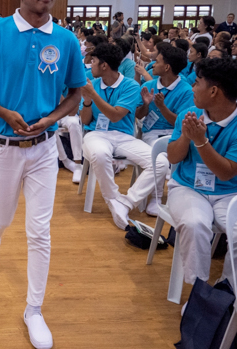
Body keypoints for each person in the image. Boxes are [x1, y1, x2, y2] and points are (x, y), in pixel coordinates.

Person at [0, 0, 86, 349]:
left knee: (39, 230)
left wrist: (51, 120)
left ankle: (33, 309)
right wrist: (3, 112)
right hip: (2, 147)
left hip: (44, 150)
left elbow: (76, 94)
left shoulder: (65, 40)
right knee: (2, 216)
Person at [166, 58, 237, 306]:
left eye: (197, 83)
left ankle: (228, 286)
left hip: (229, 193)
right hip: (187, 187)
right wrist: (187, 137)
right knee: (195, 223)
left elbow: (227, 173)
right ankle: (199, 294)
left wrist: (201, 141)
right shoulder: (190, 115)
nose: (192, 88)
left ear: (214, 91)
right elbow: (173, 157)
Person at [81, 43, 168, 223]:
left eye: (94, 61)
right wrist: (88, 101)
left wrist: (93, 95)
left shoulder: (130, 86)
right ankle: (114, 199)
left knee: (160, 163)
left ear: (104, 65)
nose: (91, 64)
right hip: (96, 134)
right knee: (99, 153)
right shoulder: (93, 83)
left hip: (123, 136)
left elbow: (115, 116)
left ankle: (127, 202)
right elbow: (85, 121)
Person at [137, 46, 194, 146]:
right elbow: (138, 115)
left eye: (157, 62)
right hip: (151, 132)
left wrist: (162, 107)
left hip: (176, 133)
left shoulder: (187, 91)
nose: (153, 65)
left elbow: (181, 124)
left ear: (167, 67)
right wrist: (145, 105)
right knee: (157, 148)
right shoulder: (148, 86)